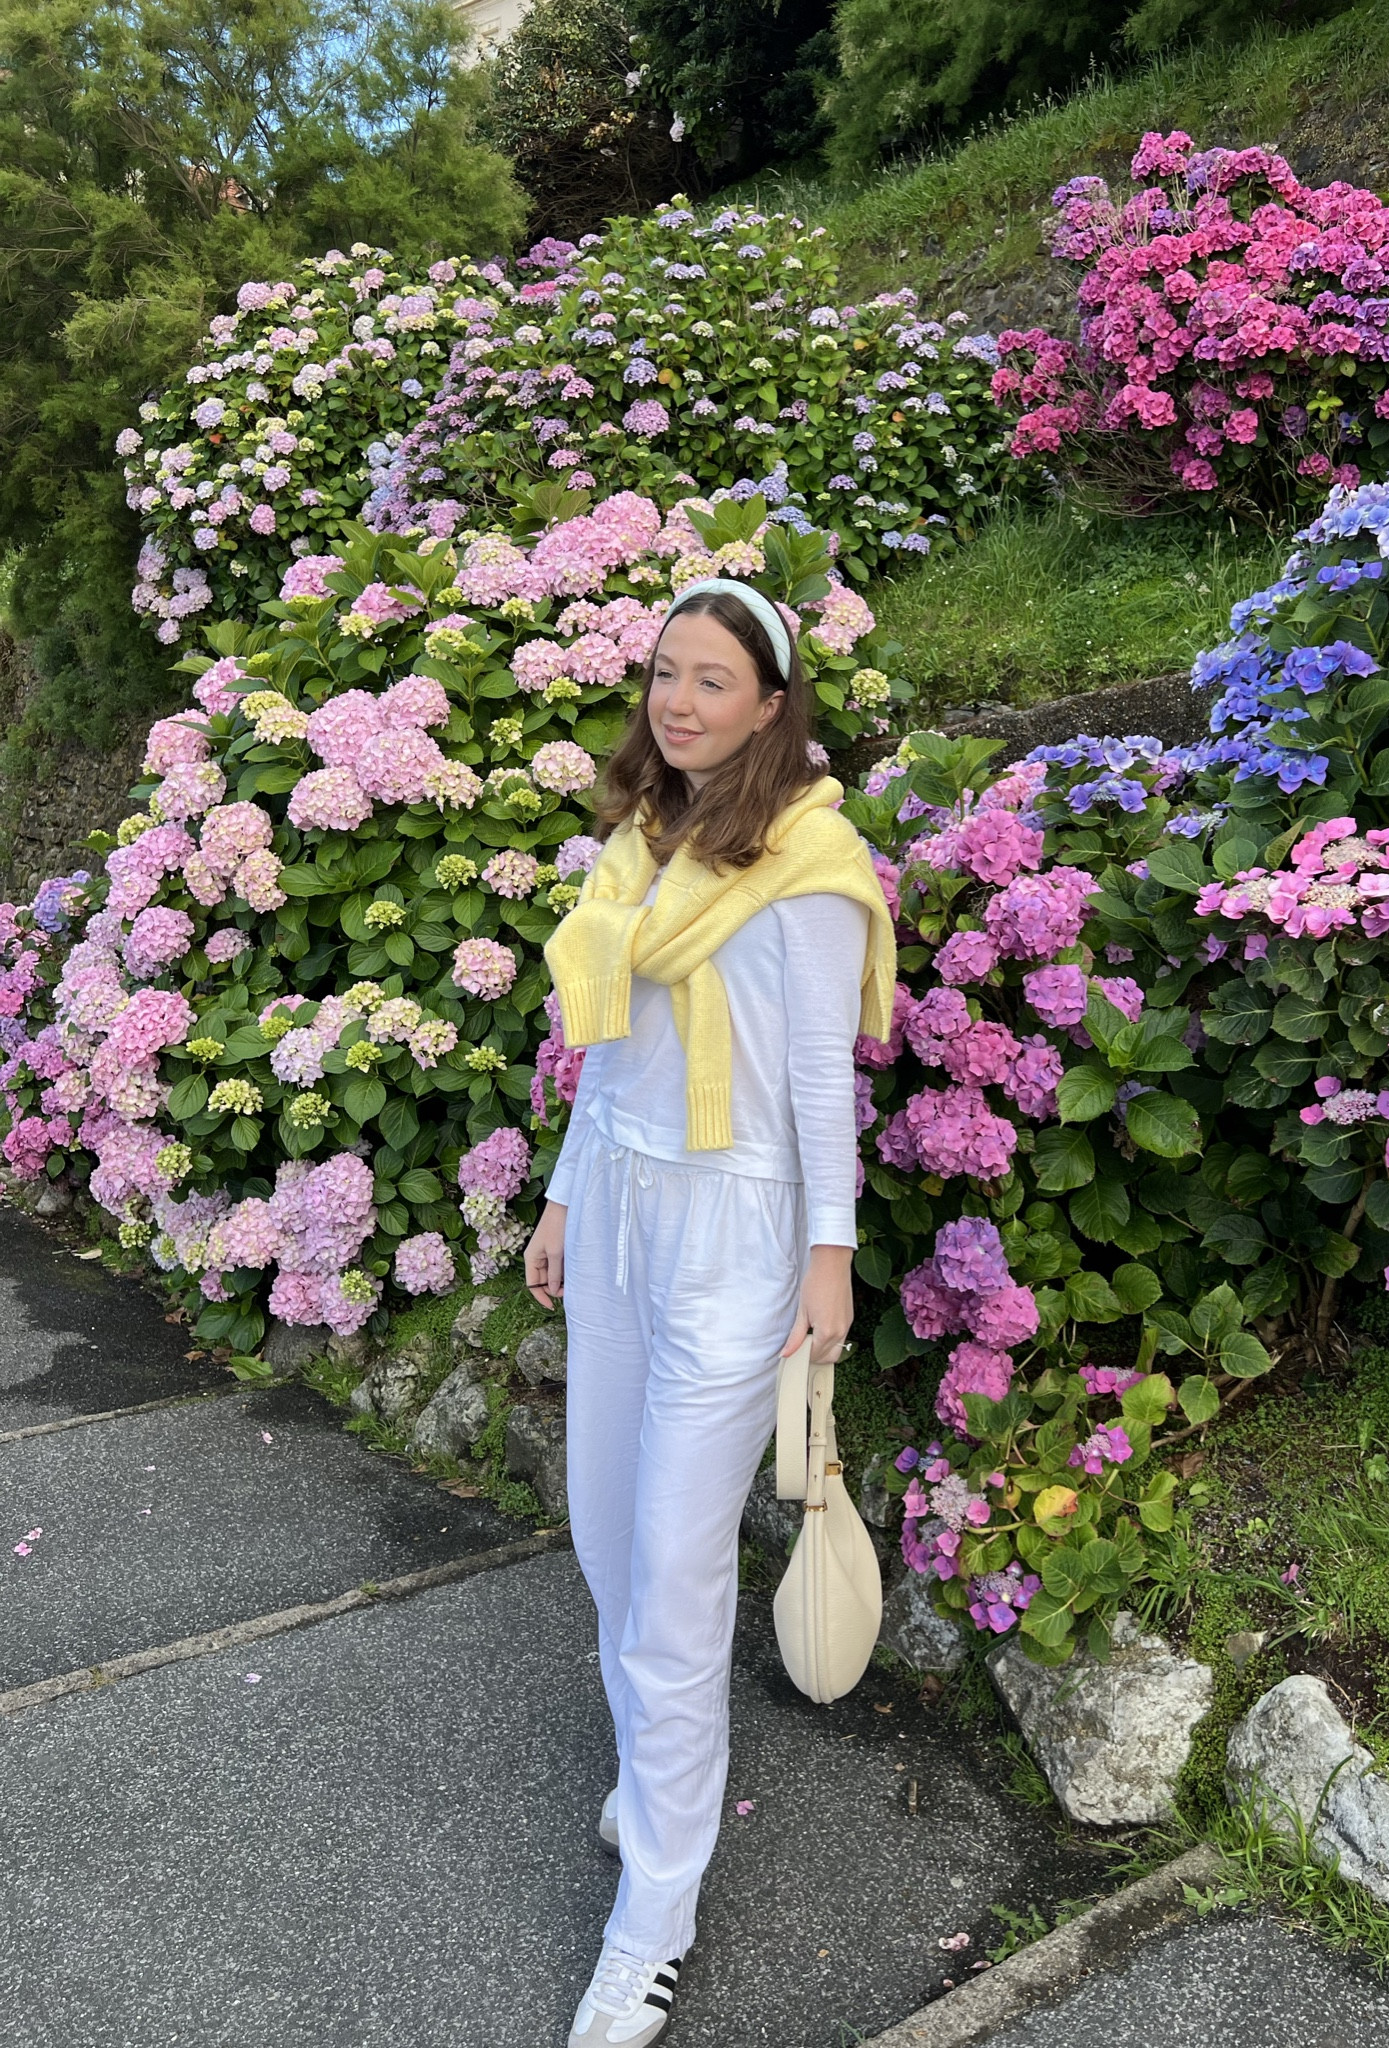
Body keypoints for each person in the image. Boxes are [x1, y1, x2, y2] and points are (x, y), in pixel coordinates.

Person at [524, 577, 896, 2046]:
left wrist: (830, 1256)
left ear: (770, 702)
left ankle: (652, 1920)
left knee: (676, 1578)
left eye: (712, 681)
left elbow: (819, 1086)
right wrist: (559, 1195)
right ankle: (652, 1778)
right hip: (618, 1201)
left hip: (738, 1231)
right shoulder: (640, 841)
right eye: (665, 676)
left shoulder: (807, 867)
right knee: (607, 1544)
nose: (679, 703)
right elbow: (611, 1055)